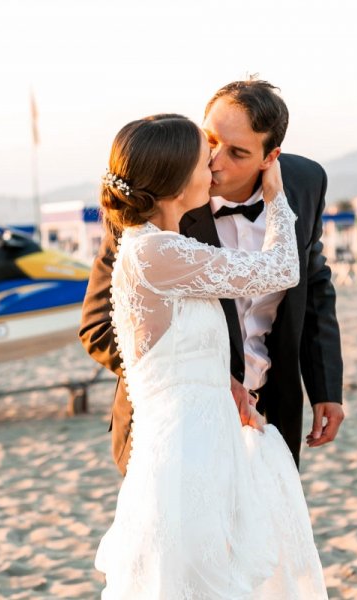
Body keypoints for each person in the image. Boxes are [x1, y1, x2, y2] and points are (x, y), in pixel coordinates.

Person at [91, 113, 327, 598]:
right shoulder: (155, 253)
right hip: (184, 455)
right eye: (205, 159)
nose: (214, 168)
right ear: (178, 183)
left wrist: (226, 382)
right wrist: (277, 195)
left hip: (208, 443)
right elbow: (281, 269)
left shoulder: (164, 249)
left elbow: (177, 349)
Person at [80, 80, 344, 475]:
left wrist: (325, 387)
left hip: (270, 415)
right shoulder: (156, 194)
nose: (216, 161)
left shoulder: (306, 182)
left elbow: (313, 285)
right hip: (178, 428)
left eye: (237, 152)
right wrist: (206, 382)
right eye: (210, 140)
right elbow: (99, 327)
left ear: (270, 157)